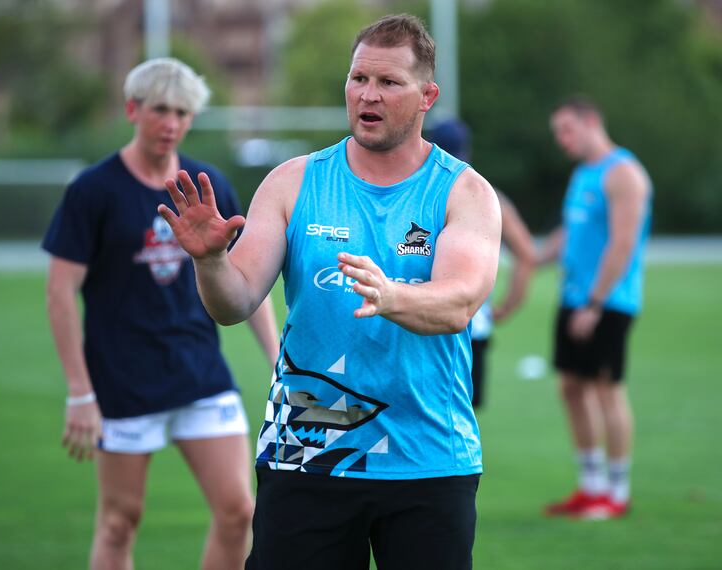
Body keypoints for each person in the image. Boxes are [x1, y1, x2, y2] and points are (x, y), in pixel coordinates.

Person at [158, 14, 501, 570]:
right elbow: (234, 302)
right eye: (359, 78)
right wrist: (211, 261)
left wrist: (392, 298)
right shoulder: (294, 181)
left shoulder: (464, 192)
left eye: (389, 83)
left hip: (428, 457)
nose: (369, 94)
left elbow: (459, 303)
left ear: (426, 96)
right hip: (306, 455)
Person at [43, 58, 280, 569]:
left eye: (182, 112)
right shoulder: (93, 191)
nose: (171, 122)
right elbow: (60, 293)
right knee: (118, 521)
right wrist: (80, 392)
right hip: (123, 383)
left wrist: (280, 361)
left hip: (200, 375)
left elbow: (245, 279)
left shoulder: (208, 184)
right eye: (159, 110)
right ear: (133, 109)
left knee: (240, 510)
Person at [539, 95, 652, 519]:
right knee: (570, 387)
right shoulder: (583, 175)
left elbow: (623, 244)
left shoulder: (624, 174)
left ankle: (616, 493)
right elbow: (569, 234)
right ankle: (591, 486)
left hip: (608, 301)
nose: (562, 139)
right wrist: (530, 261)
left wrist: (596, 302)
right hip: (574, 297)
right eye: (558, 133)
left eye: (567, 130)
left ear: (590, 123)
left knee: (607, 390)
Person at [428, 119, 536, 409]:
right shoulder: (487, 196)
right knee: (459, 423)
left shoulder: (414, 193)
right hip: (470, 325)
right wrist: (504, 307)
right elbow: (526, 255)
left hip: (418, 323)